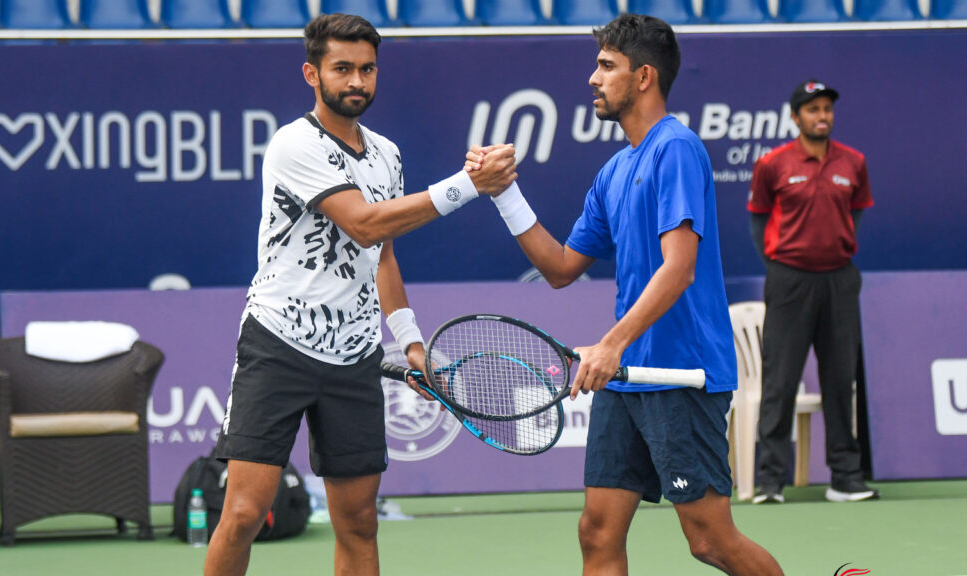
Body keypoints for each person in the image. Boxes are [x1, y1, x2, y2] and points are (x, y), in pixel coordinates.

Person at [468, 13, 783, 576]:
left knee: (709, 540)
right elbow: (562, 267)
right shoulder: (614, 170)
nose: (593, 78)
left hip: (680, 375)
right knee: (597, 530)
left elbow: (679, 268)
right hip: (627, 379)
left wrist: (609, 344)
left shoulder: (676, 149)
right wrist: (503, 194)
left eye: (606, 66)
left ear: (643, 77)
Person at [203, 14, 516, 576]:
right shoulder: (294, 143)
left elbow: (383, 255)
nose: (356, 82)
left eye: (367, 70)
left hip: (354, 357)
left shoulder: (387, 155)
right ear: (311, 73)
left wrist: (411, 343)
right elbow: (366, 224)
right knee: (246, 510)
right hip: (278, 344)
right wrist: (470, 185)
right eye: (342, 68)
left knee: (358, 521)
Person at [747, 80, 877, 505]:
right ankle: (769, 482)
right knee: (780, 382)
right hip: (789, 282)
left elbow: (854, 214)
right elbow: (758, 219)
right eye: (813, 109)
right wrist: (780, 267)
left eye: (827, 109)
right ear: (795, 117)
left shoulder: (854, 162)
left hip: (840, 280)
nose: (822, 116)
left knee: (841, 380)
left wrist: (834, 252)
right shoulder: (773, 165)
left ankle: (845, 478)